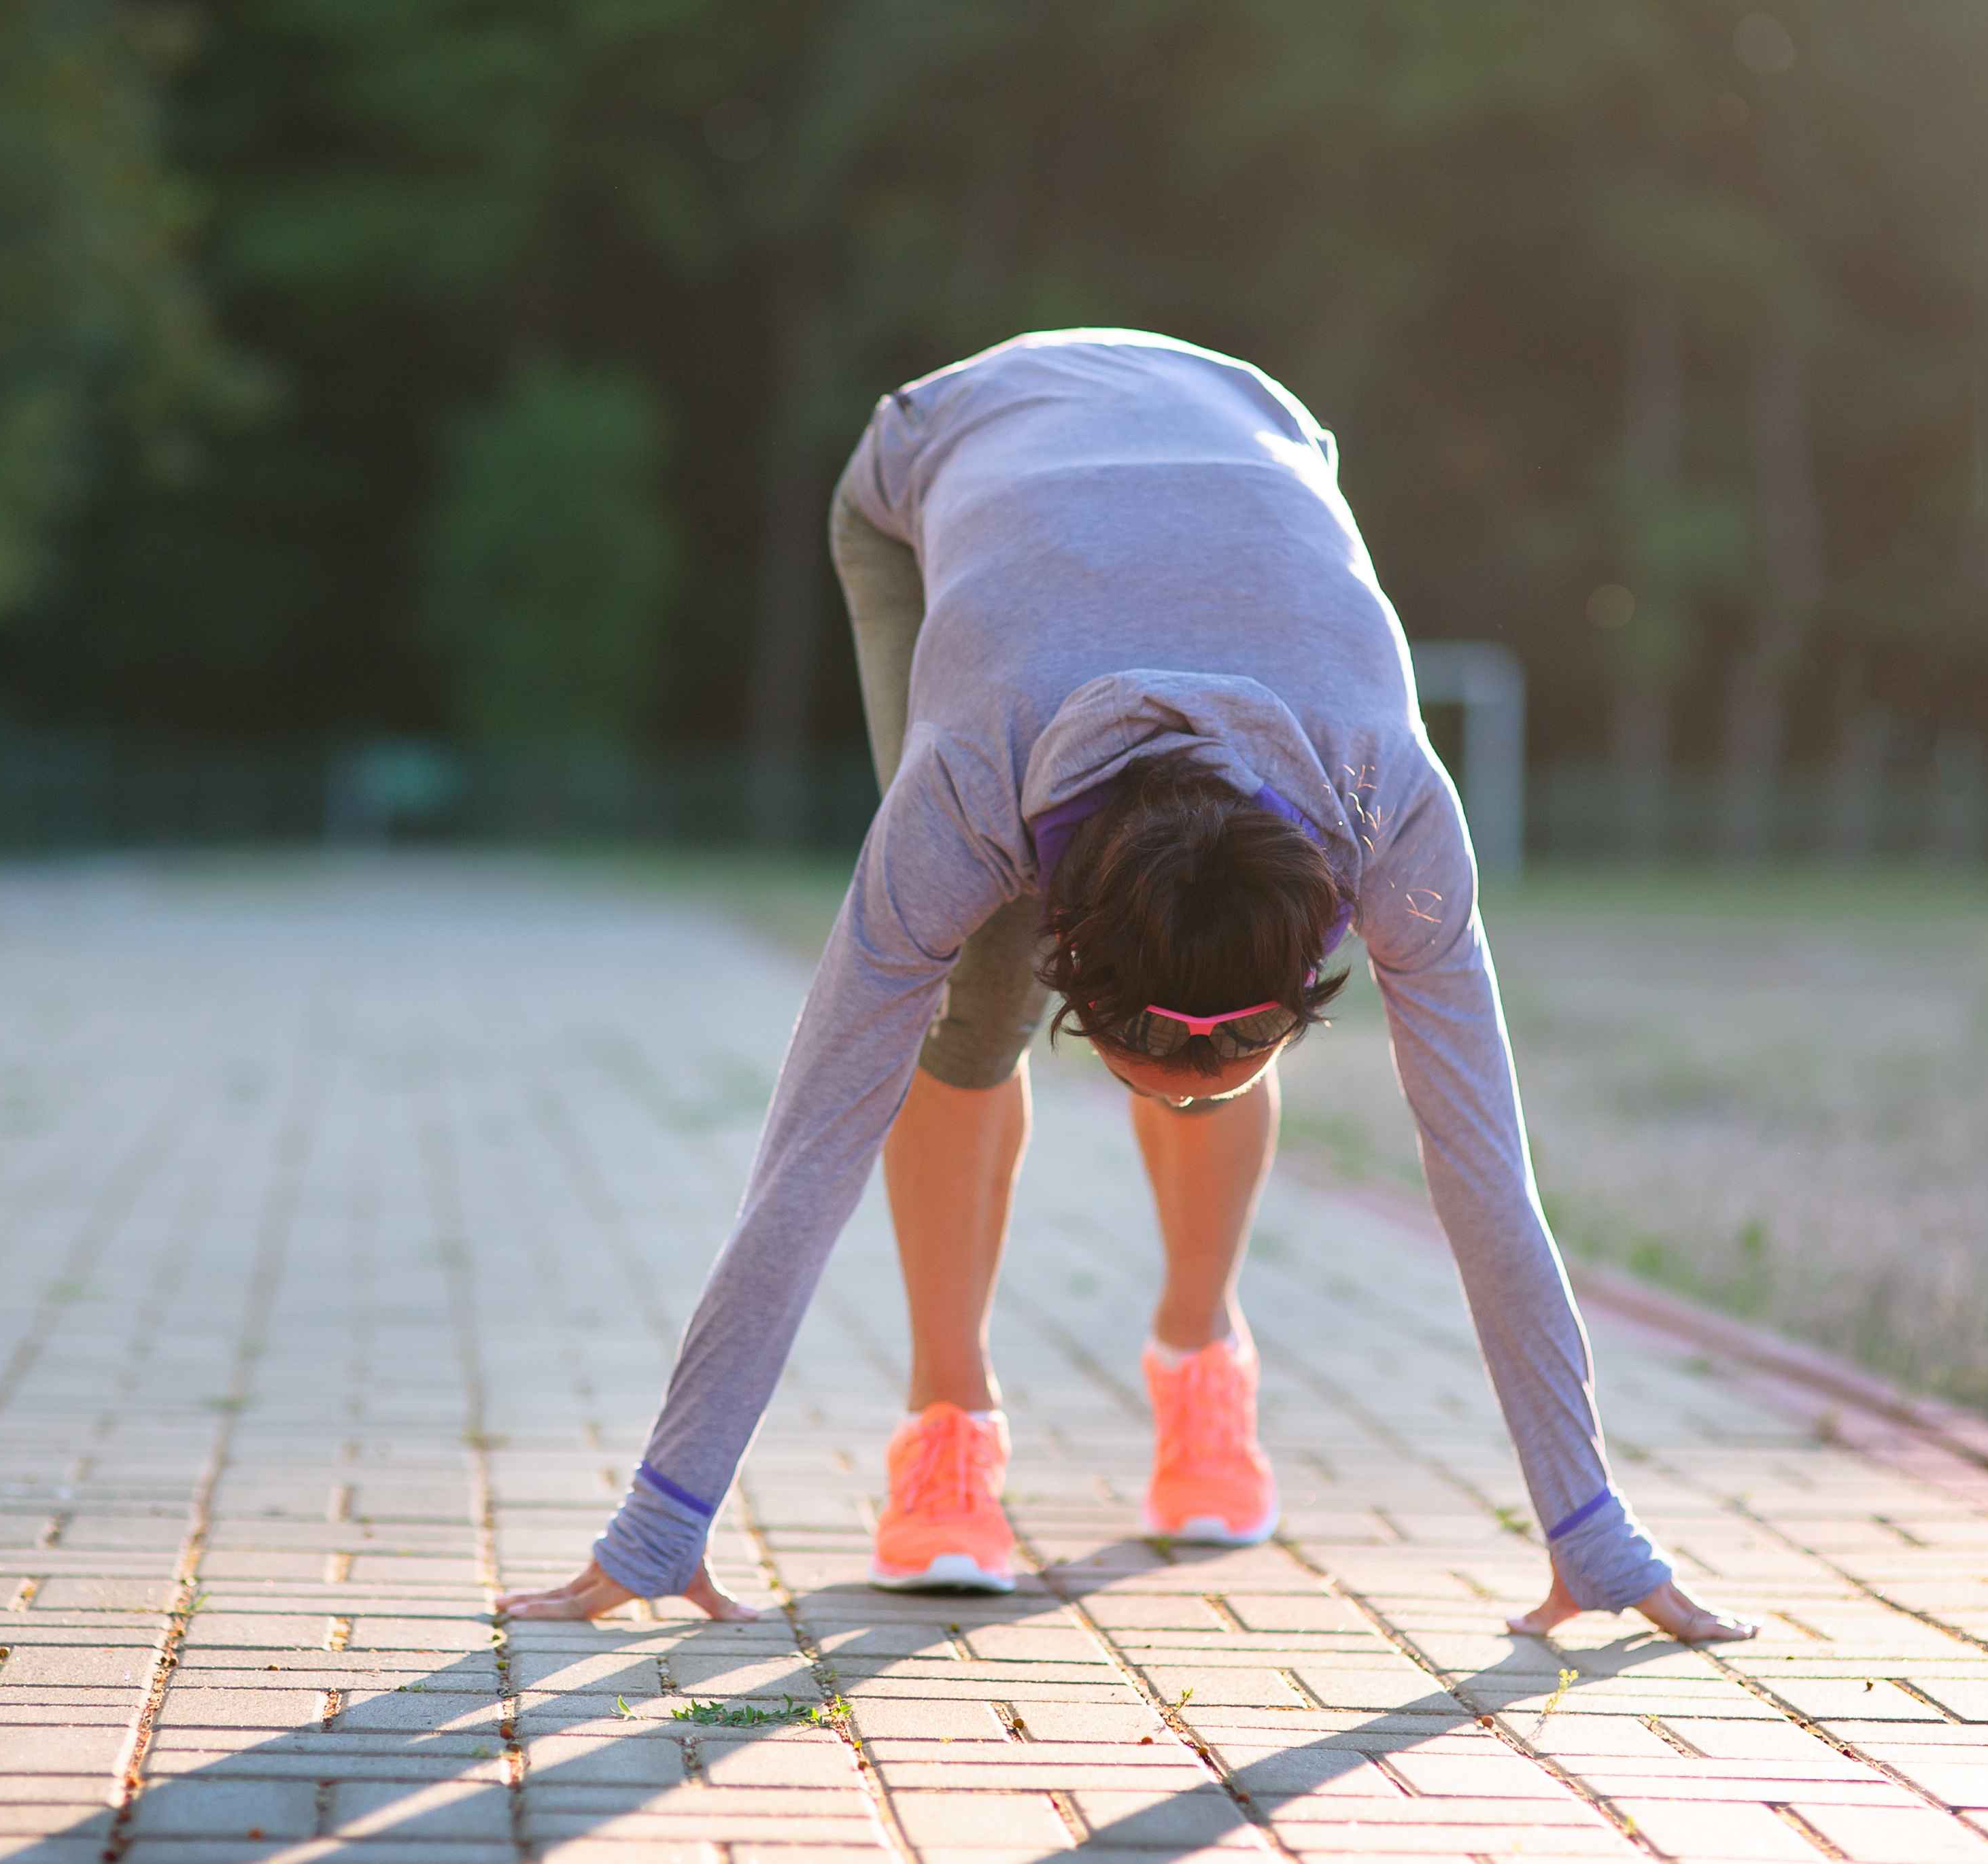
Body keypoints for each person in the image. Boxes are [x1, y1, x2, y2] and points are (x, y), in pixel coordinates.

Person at [501, 330, 1754, 1644]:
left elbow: (1484, 1170)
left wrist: (1590, 1532)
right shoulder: (969, 781)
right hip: (939, 452)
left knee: (1183, 989)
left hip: (1253, 427)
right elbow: (809, 1149)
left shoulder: (1389, 798)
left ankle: (1201, 1355)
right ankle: (947, 1420)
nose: (1205, 1083)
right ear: (1079, 982)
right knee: (963, 1005)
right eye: (1163, 1068)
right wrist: (661, 1519)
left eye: (1239, 1056)